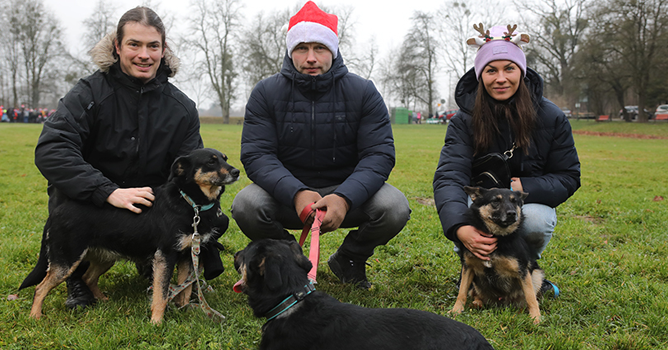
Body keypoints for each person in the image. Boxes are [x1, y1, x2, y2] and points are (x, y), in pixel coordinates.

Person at [33, 6, 209, 310]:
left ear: (163, 50)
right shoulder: (88, 92)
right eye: (134, 44)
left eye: (153, 46)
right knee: (65, 186)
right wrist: (108, 191)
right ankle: (77, 279)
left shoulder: (182, 107)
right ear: (117, 47)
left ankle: (151, 256)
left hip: (148, 207)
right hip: (93, 203)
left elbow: (188, 173)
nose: (144, 55)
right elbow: (52, 149)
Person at [231, 1, 410, 290]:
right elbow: (257, 154)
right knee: (246, 205)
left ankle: (350, 258)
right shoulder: (265, 92)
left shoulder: (363, 92)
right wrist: (296, 192)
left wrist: (344, 197)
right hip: (287, 195)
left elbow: (378, 155)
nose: (311, 57)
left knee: (394, 206)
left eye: (320, 48)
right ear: (291, 52)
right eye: (302, 48)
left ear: (334, 51)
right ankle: (290, 256)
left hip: (346, 193)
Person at [433, 24, 581, 295]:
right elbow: (449, 176)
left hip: (525, 203)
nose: (500, 78)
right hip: (480, 200)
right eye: (491, 70)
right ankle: (474, 271)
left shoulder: (552, 117)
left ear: (521, 72)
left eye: (509, 68)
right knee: (470, 212)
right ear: (480, 76)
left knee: (536, 219)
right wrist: (459, 227)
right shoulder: (463, 121)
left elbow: (568, 176)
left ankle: (523, 268)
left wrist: (524, 188)